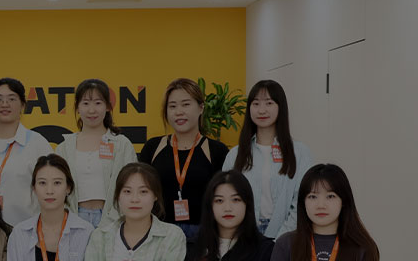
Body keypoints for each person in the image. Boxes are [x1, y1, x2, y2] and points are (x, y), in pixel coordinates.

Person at [139, 78, 229, 241]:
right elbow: (140, 191)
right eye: (172, 106)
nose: (179, 112)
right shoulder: (153, 147)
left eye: (186, 104)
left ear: (201, 107)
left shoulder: (217, 151)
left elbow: (225, 197)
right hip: (159, 234)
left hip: (203, 236)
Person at [224, 80, 312, 238]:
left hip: (287, 234)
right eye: (256, 103)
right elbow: (226, 197)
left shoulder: (300, 153)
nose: (261, 110)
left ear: (280, 107)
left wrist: (281, 239)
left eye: (269, 103)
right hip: (244, 235)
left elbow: (302, 200)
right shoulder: (235, 154)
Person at [55, 79, 137, 229]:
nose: (91, 110)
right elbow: (57, 187)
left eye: (98, 103)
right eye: (86, 103)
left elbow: (132, 184)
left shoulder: (122, 144)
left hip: (113, 220)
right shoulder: (64, 148)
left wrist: (115, 218)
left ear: (108, 107)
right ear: (77, 107)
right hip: (73, 219)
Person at [0, 77, 54, 226]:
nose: (5, 104)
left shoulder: (37, 143)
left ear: (23, 104)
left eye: (12, 99)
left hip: (27, 229)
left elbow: (53, 187)